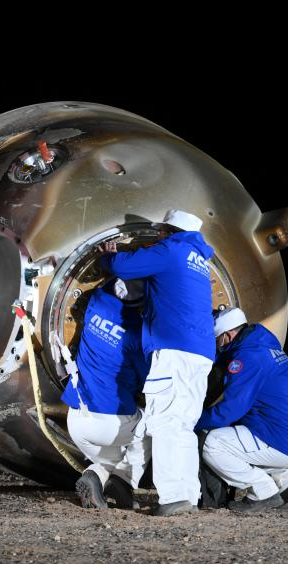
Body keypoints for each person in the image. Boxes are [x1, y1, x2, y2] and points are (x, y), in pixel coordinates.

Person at [98, 209, 215, 516]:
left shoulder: (173, 250)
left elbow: (126, 265)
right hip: (201, 353)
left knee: (164, 422)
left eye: (161, 231)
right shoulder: (199, 260)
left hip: (174, 349)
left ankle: (172, 497)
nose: (158, 236)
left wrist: (108, 258)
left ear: (169, 231)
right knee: (183, 425)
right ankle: (187, 494)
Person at [196, 307, 288, 512]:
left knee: (213, 444)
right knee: (240, 444)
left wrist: (194, 422)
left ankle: (263, 492)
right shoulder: (263, 346)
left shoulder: (248, 357)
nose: (216, 346)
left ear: (228, 335)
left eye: (217, 340)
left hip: (281, 439)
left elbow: (229, 410)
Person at [64, 278, 149, 510]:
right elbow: (147, 380)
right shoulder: (137, 334)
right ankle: (124, 481)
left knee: (113, 456)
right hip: (109, 424)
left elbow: (105, 284)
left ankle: (97, 477)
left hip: (75, 420)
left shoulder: (96, 304)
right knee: (157, 426)